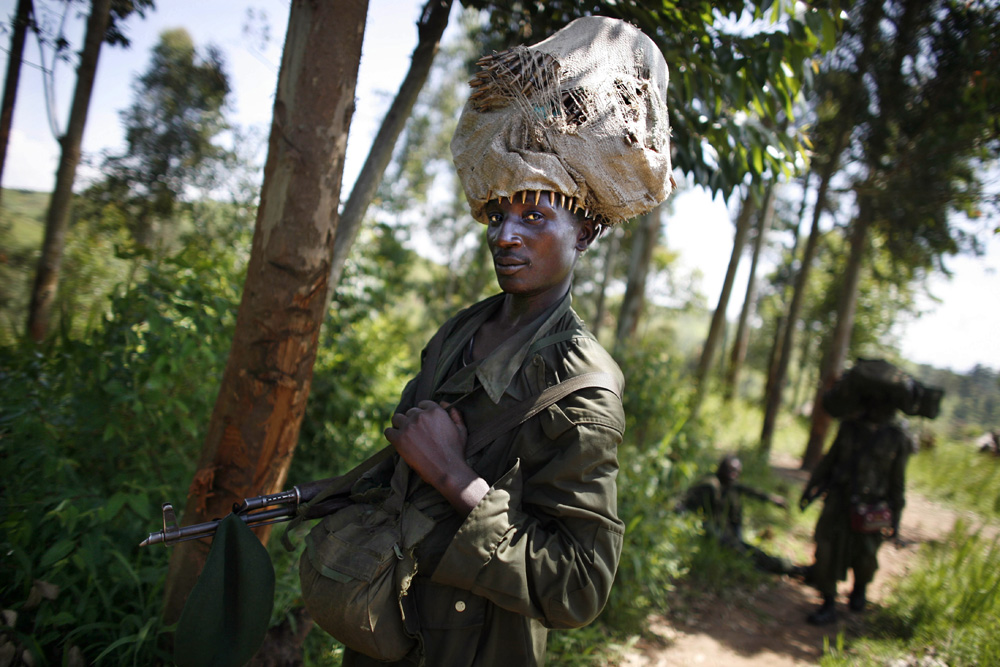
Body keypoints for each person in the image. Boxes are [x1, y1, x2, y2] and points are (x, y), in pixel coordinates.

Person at [340, 16, 675, 666]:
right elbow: (399, 467)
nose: (504, 235)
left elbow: (579, 586)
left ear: (582, 235)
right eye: (500, 213)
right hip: (387, 633)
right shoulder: (461, 330)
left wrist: (453, 475)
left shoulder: (582, 389)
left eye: (534, 215)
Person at [799, 399, 912, 625]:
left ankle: (859, 589)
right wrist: (810, 489)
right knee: (826, 550)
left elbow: (897, 482)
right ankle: (828, 602)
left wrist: (895, 520)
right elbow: (828, 462)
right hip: (839, 502)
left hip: (872, 508)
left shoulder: (896, 438)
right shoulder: (849, 429)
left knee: (866, 555)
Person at [678, 454, 808, 577]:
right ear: (721, 469)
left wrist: (774, 499)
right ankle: (789, 569)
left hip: (725, 532)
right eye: (731, 471)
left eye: (737, 472)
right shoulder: (710, 485)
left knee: (752, 552)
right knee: (746, 554)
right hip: (713, 534)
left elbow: (751, 491)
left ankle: (792, 568)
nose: (734, 475)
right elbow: (686, 505)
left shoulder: (728, 484)